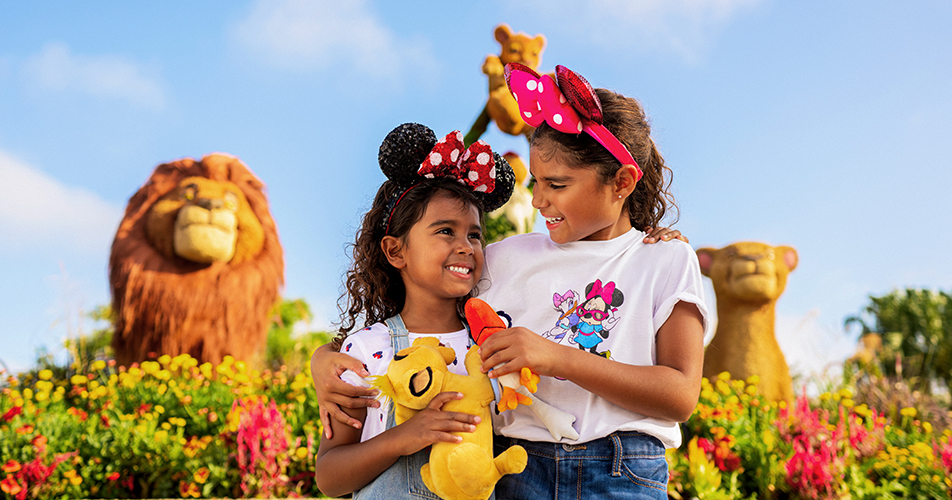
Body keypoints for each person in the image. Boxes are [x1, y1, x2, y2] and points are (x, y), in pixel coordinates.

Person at [314, 64, 704, 499]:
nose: (538, 200)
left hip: (622, 469)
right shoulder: (505, 258)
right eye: (536, 182)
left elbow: (681, 395)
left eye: (556, 183)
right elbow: (423, 311)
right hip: (518, 468)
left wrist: (556, 357)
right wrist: (322, 360)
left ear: (623, 182)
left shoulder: (665, 258)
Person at [313, 123, 517, 499]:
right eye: (445, 231)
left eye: (474, 234)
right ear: (396, 251)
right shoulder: (367, 352)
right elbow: (328, 475)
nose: (465, 246)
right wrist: (402, 438)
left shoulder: (495, 341)